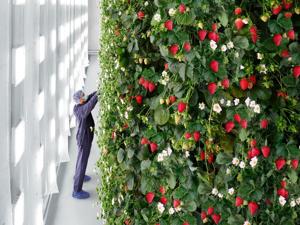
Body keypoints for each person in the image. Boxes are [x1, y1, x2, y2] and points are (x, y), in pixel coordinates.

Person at [72, 90, 98, 199]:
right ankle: (76, 190)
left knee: (80, 160)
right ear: (80, 99)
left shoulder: (80, 104)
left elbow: (89, 98)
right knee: (82, 162)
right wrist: (97, 96)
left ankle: (78, 177)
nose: (85, 96)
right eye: (83, 96)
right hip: (84, 138)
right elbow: (90, 105)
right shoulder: (81, 110)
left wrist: (97, 92)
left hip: (84, 137)